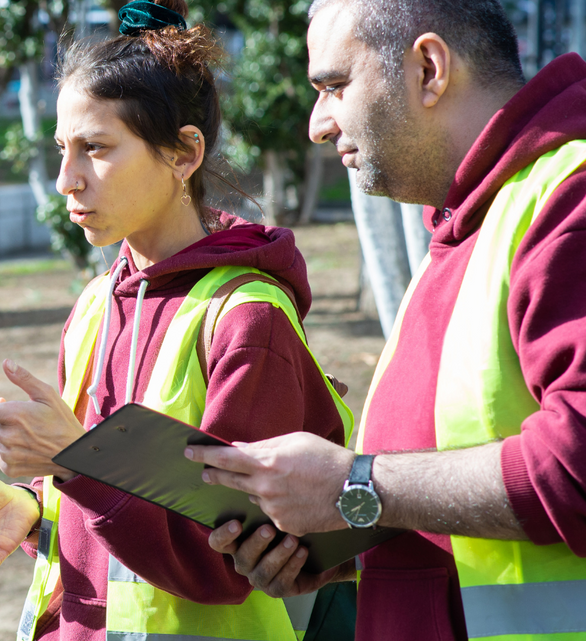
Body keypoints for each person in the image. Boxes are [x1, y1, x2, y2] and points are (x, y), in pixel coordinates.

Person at [0, 2, 354, 639]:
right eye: (61, 151)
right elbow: (105, 514)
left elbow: (234, 559)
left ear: (184, 153)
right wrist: (30, 506)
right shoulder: (96, 305)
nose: (67, 180)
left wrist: (72, 461)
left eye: (95, 149)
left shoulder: (246, 320)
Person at [185, 1, 586, 639]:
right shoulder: (469, 225)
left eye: (334, 86)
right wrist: (355, 548)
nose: (318, 124)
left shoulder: (569, 198)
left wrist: (355, 485)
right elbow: (461, 490)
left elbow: (576, 468)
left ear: (428, 69)